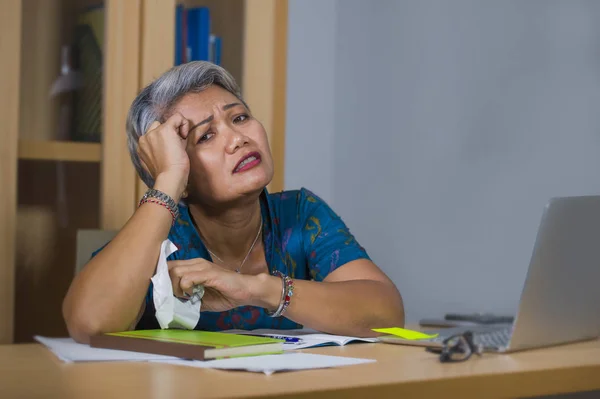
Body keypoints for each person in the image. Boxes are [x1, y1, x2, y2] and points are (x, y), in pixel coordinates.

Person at [63, 61, 404, 343]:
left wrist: (256, 289)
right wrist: (167, 181)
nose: (238, 139)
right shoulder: (159, 236)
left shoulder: (300, 215)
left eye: (239, 117)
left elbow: (387, 314)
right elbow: (89, 324)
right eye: (206, 135)